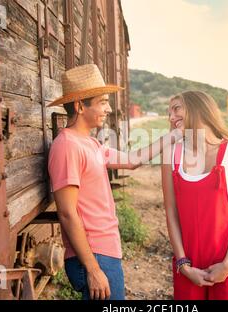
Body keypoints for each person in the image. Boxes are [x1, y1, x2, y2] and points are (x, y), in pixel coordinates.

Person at [47, 64, 180, 300]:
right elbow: (67, 213)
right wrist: (93, 269)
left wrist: (173, 135)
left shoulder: (91, 143)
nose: (109, 109)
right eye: (103, 102)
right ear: (79, 105)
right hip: (94, 255)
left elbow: (132, 160)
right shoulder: (67, 146)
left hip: (104, 251)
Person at [161, 91, 228, 300]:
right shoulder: (171, 155)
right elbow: (171, 212)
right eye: (169, 112)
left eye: (176, 109)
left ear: (199, 109)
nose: (171, 117)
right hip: (189, 267)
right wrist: (183, 264)